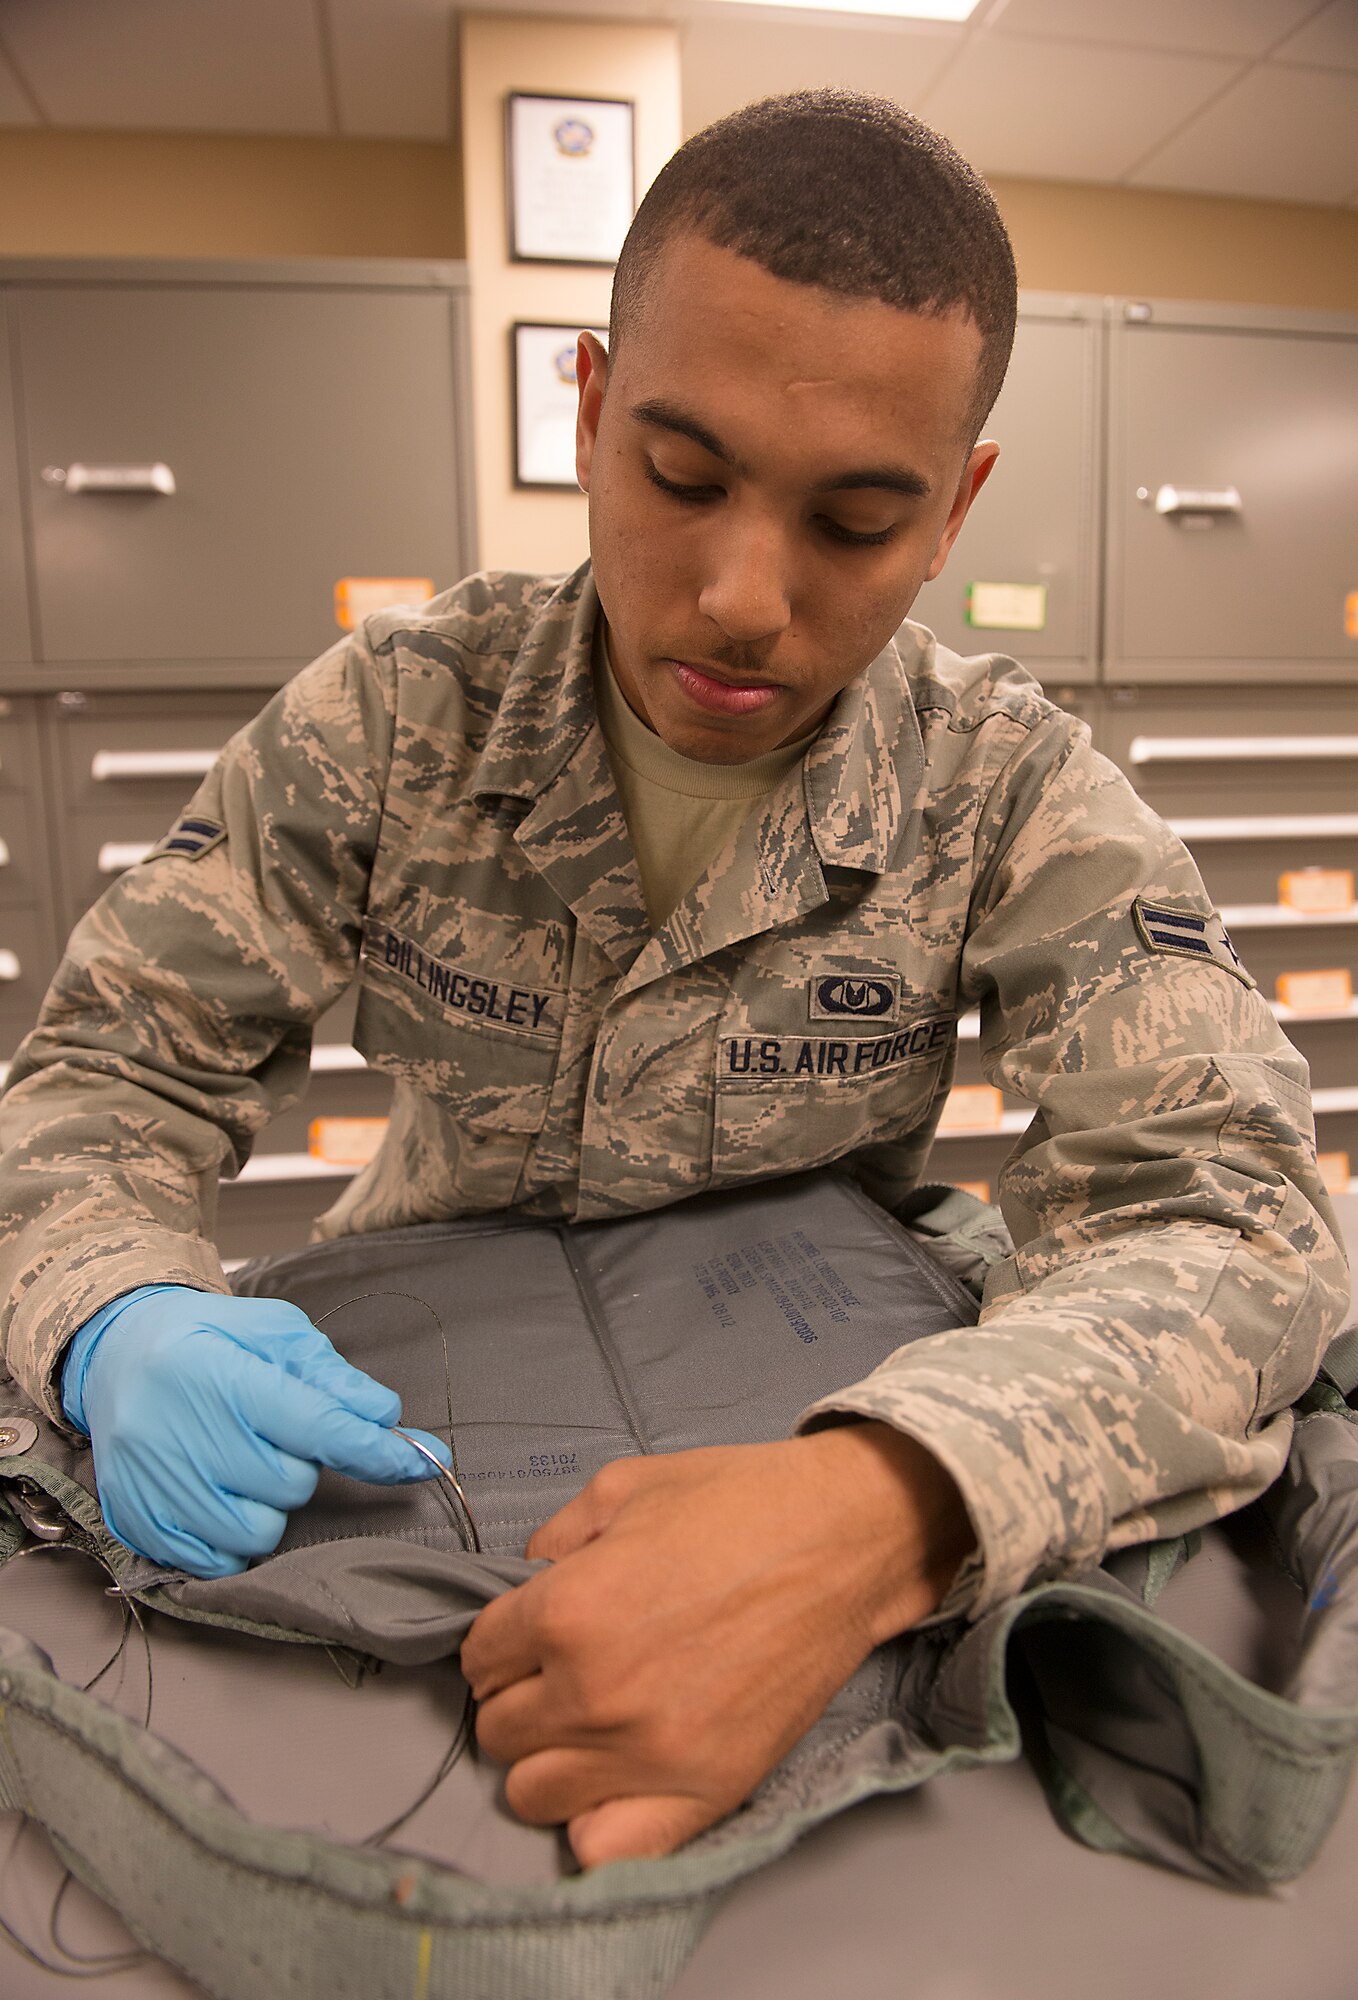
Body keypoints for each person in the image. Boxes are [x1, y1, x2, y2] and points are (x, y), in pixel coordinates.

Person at [0, 92, 1348, 1873]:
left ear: (957, 508)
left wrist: (895, 1501)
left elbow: (1238, 1216)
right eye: (680, 475)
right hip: (420, 1369)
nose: (736, 597)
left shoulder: (1007, 785)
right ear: (584, 404)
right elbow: (108, 1068)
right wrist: (112, 1313)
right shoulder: (394, 718)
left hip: (806, 1369)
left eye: (856, 520)